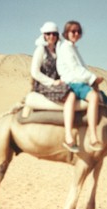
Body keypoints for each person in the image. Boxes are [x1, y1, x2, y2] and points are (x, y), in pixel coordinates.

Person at [30, 22, 79, 153]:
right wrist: (52, 82)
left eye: (54, 34)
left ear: (57, 35)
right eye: (48, 34)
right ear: (44, 35)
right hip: (43, 85)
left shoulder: (59, 50)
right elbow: (34, 72)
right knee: (71, 95)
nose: (51, 36)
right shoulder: (40, 50)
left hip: (58, 83)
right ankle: (68, 136)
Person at [57, 20, 105, 152]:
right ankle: (87, 136)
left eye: (78, 31)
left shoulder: (73, 48)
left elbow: (81, 69)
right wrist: (93, 79)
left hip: (78, 82)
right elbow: (75, 69)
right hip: (71, 82)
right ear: (67, 33)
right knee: (93, 97)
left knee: (101, 99)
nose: (76, 34)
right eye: (73, 31)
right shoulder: (66, 48)